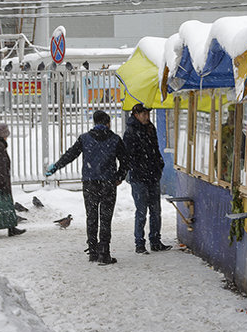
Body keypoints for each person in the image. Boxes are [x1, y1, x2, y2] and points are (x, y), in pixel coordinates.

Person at [46, 110, 127, 264]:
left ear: (95, 123)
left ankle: (93, 251)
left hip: (90, 182)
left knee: (91, 216)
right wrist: (119, 176)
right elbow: (125, 161)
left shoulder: (85, 139)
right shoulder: (115, 139)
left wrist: (56, 166)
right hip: (108, 183)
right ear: (107, 123)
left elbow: (70, 155)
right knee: (105, 218)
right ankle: (104, 252)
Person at [122, 103, 170, 254]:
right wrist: (137, 169)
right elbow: (127, 156)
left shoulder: (150, 128)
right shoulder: (130, 132)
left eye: (147, 114)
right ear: (136, 115)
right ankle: (139, 243)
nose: (146, 117)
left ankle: (155, 241)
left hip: (152, 176)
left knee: (156, 211)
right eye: (143, 114)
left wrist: (159, 165)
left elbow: (155, 150)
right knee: (141, 210)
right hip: (139, 177)